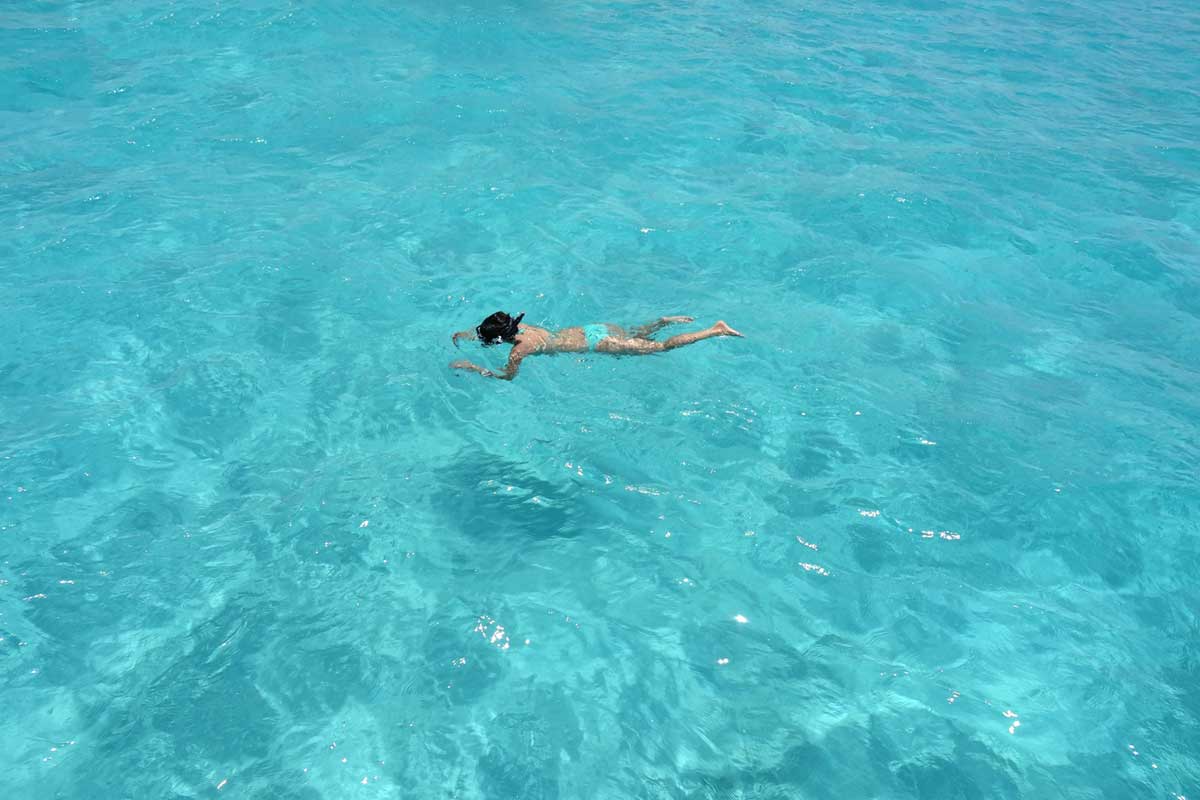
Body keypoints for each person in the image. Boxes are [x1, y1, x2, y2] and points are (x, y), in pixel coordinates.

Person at [450, 311, 743, 380]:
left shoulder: (520, 350)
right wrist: (467, 336)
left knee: (662, 347)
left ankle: (714, 330)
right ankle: (663, 320)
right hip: (594, 329)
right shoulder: (523, 327)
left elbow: (507, 377)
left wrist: (474, 367)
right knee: (639, 336)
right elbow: (494, 330)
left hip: (599, 343)